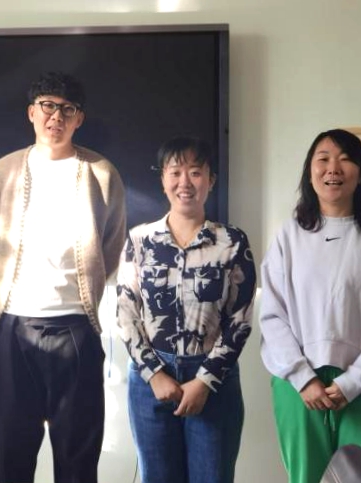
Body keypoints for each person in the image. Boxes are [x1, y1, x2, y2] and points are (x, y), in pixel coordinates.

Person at [0, 71, 127, 483]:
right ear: (32, 112)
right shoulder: (3, 171)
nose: (56, 116)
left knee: (77, 460)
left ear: (79, 119)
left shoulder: (101, 173)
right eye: (47, 106)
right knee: (11, 455)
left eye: (67, 109)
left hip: (76, 328)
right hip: (13, 328)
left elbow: (111, 244)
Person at [259, 129, 361, 483]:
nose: (333, 168)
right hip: (300, 385)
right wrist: (302, 377)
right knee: (306, 477)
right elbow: (272, 315)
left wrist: (355, 381)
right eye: (324, 159)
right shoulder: (288, 235)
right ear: (310, 172)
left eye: (345, 159)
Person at [117, 137, 255, 483]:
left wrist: (205, 381)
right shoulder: (140, 240)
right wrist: (154, 374)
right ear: (163, 179)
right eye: (175, 172)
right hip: (151, 381)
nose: (185, 182)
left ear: (210, 180)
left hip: (213, 380)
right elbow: (126, 313)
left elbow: (240, 320)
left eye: (195, 172)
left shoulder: (232, 242)